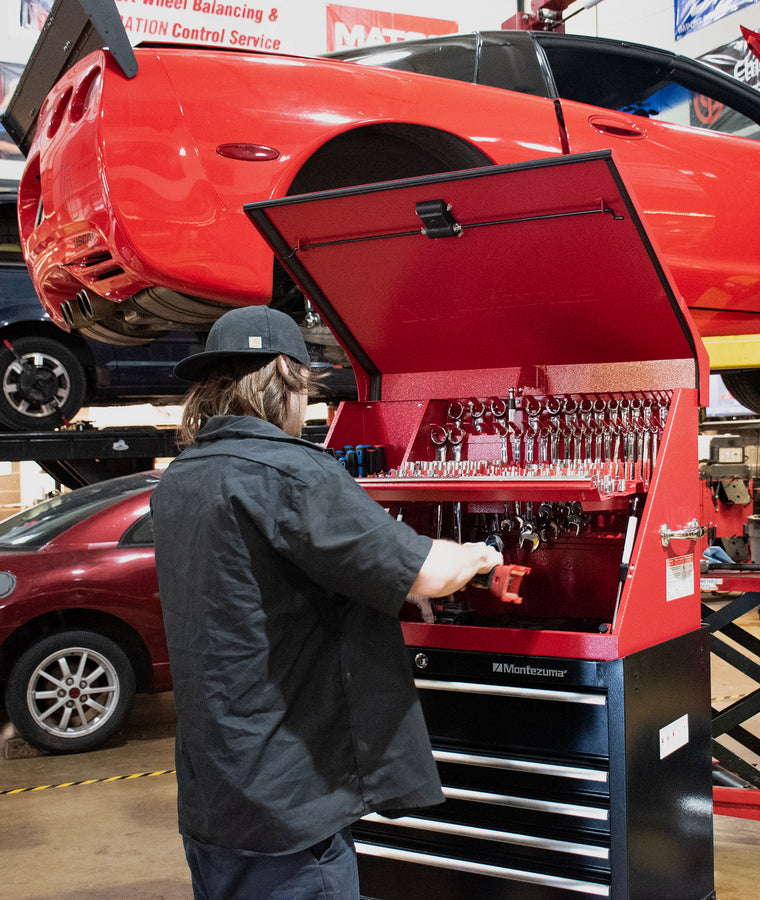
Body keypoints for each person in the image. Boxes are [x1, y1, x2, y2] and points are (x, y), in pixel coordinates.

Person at [151, 305, 502, 899]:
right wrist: (482, 554)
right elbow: (430, 572)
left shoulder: (180, 479)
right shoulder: (291, 473)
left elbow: (263, 583)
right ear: (289, 381)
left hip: (214, 795)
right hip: (289, 808)